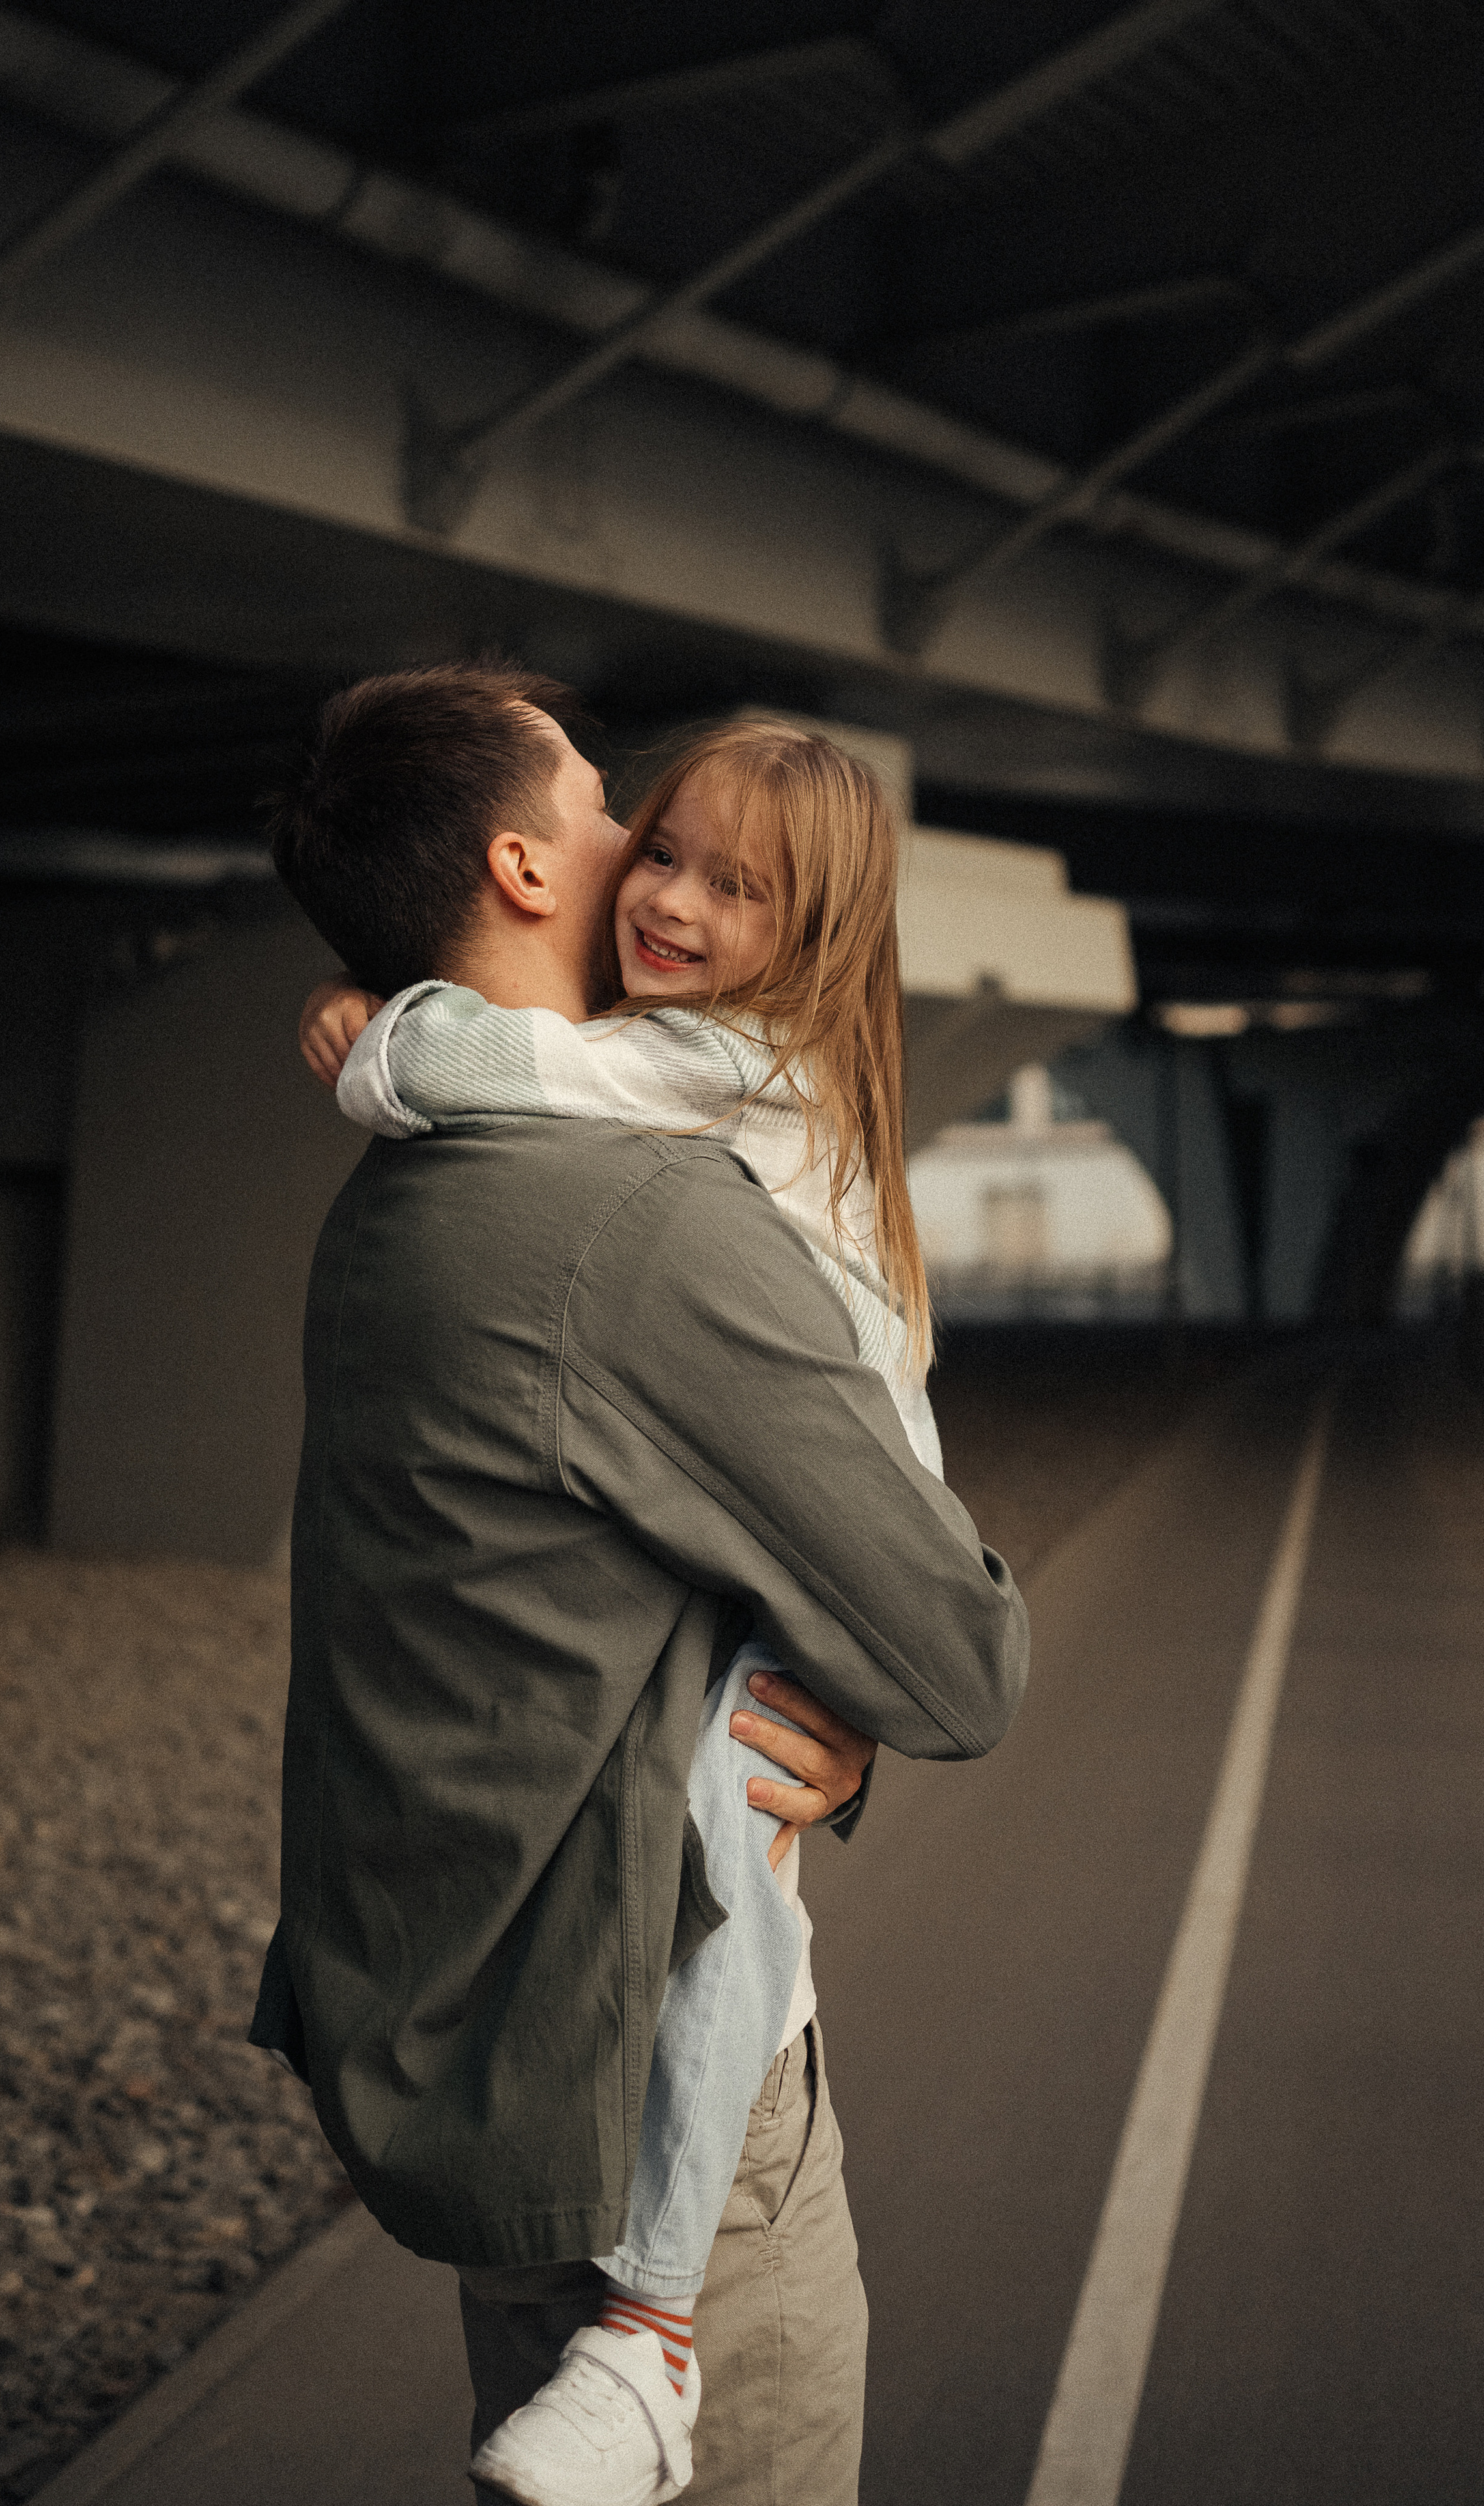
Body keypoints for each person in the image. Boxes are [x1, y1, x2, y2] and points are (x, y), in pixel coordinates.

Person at [251, 662, 1028, 2506]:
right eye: (617, 818)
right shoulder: (641, 1217)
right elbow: (966, 1660)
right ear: (531, 869)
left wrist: (378, 1041)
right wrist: (862, 1701)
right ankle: (661, 2350)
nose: (646, 868)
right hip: (655, 2066)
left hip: (500, 2050)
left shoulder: (396, 1207)